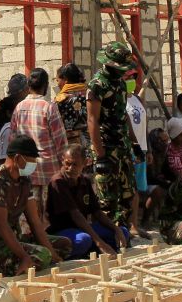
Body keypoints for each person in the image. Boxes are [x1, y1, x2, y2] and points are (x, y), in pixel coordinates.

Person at [0, 134, 71, 275]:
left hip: (14, 239)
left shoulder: (24, 181)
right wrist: (24, 256)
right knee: (42, 255)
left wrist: (55, 256)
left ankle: (26, 264)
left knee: (64, 245)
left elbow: (35, 222)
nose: (34, 165)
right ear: (18, 158)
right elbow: (2, 225)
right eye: (31, 160)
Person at [88, 41, 138, 228]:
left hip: (122, 146)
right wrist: (100, 155)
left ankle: (123, 233)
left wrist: (135, 144)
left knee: (127, 194)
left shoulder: (121, 84)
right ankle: (108, 237)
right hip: (106, 147)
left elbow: (124, 114)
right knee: (107, 199)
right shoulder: (97, 85)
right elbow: (92, 120)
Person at [48, 145, 129, 258]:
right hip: (64, 231)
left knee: (122, 231)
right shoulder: (58, 182)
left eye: (75, 164)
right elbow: (76, 215)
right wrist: (99, 242)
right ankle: (93, 248)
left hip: (84, 228)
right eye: (67, 163)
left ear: (85, 163)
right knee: (83, 240)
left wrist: (115, 229)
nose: (70, 168)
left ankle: (95, 248)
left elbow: (97, 212)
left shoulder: (85, 181)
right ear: (62, 160)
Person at [10, 68, 69, 204]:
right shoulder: (49, 107)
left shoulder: (19, 107)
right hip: (49, 170)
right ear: (46, 86)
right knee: (49, 214)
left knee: (30, 215)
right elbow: (60, 141)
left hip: (26, 169)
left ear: (28, 86)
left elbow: (12, 140)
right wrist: (64, 166)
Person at [125, 72, 150, 235]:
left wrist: (149, 149)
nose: (131, 81)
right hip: (131, 150)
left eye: (133, 78)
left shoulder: (135, 99)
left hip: (142, 149)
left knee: (139, 189)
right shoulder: (121, 100)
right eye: (128, 78)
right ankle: (131, 224)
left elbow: (144, 124)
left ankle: (135, 223)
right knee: (131, 189)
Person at [55, 63, 90, 149]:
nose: (58, 84)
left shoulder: (61, 99)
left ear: (65, 80)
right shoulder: (90, 94)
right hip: (91, 143)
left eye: (57, 80)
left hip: (70, 146)